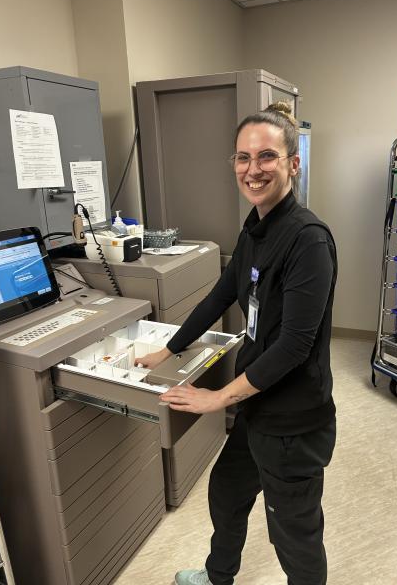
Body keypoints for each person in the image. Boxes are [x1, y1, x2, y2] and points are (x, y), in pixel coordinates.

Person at [136, 101, 337, 585]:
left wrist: (218, 397)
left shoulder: (307, 239)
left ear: (293, 163)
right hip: (258, 407)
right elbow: (222, 294)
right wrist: (170, 349)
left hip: (292, 420)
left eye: (266, 156)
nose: (253, 169)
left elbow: (293, 345)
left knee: (294, 534)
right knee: (226, 492)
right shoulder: (256, 227)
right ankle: (218, 575)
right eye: (243, 158)